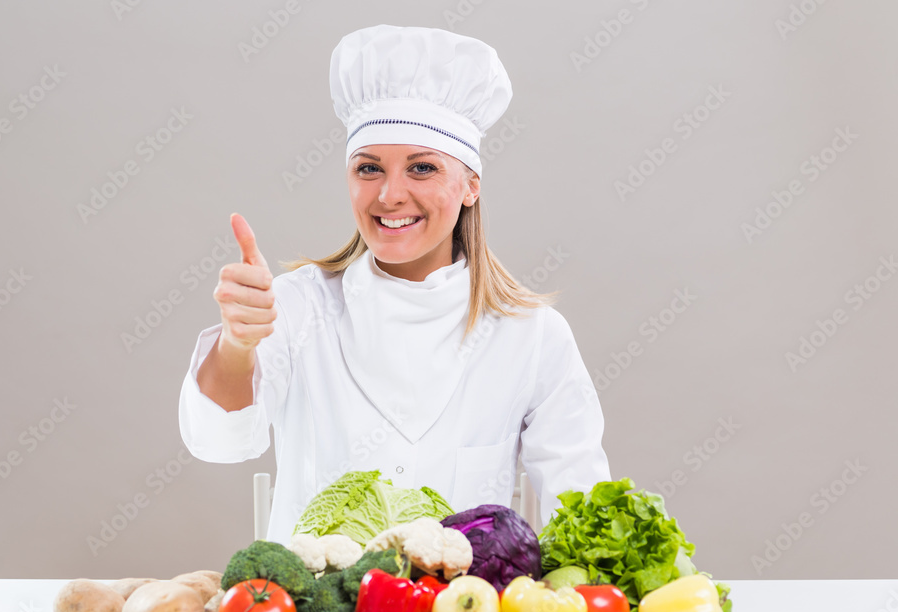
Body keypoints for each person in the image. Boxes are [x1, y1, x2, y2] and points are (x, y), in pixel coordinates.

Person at [178, 25, 610, 545]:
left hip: (463, 599)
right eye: (369, 169)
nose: (389, 195)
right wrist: (237, 345)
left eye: (422, 168)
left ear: (470, 185)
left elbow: (581, 505)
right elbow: (218, 443)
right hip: (310, 598)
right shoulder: (296, 306)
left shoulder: (533, 335)